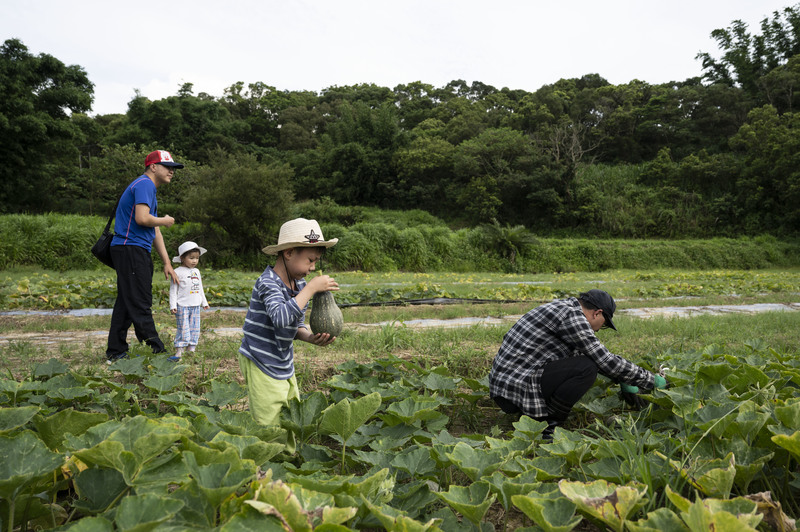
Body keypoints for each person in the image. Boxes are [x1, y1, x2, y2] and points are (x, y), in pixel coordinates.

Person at [489, 289, 667, 439]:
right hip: (514, 388)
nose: (597, 330)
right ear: (597, 313)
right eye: (603, 325)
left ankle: (536, 419)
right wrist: (651, 380)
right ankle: (548, 426)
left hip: (509, 384)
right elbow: (603, 359)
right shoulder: (571, 316)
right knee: (586, 368)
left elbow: (591, 354)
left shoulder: (564, 308)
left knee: (586, 361)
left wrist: (624, 379)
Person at [238, 218, 339, 452]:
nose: (312, 267)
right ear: (289, 253)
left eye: (315, 261)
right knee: (270, 420)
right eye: (310, 260)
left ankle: (288, 459)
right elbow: (280, 317)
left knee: (290, 412)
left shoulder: (300, 285)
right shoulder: (268, 283)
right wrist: (312, 288)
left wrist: (309, 337)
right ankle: (267, 461)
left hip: (283, 360)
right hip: (260, 359)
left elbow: (293, 325)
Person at [105, 150, 182, 364]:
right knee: (140, 301)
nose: (171, 172)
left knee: (127, 301)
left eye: (173, 168)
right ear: (153, 167)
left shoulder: (146, 188)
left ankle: (116, 350)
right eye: (168, 167)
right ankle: (157, 350)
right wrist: (164, 220)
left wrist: (166, 262)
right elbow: (142, 219)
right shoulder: (145, 184)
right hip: (130, 248)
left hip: (131, 249)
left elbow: (152, 229)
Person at [169, 241, 210, 361]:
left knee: (195, 328)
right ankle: (179, 352)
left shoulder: (197, 272)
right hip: (182, 305)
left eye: (197, 258)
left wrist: (204, 302)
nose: (194, 261)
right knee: (184, 328)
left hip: (195, 305)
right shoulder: (177, 272)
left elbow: (200, 288)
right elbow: (173, 290)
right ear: (182, 258)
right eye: (191, 258)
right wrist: (173, 305)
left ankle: (191, 350)